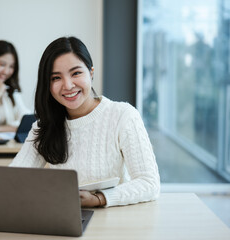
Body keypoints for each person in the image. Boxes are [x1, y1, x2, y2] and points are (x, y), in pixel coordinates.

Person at [10, 36, 160, 208]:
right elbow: (14, 178)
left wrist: (99, 199)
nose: (67, 85)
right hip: (64, 221)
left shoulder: (123, 115)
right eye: (56, 78)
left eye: (76, 73)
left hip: (113, 221)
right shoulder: (45, 125)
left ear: (91, 73)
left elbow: (149, 183)